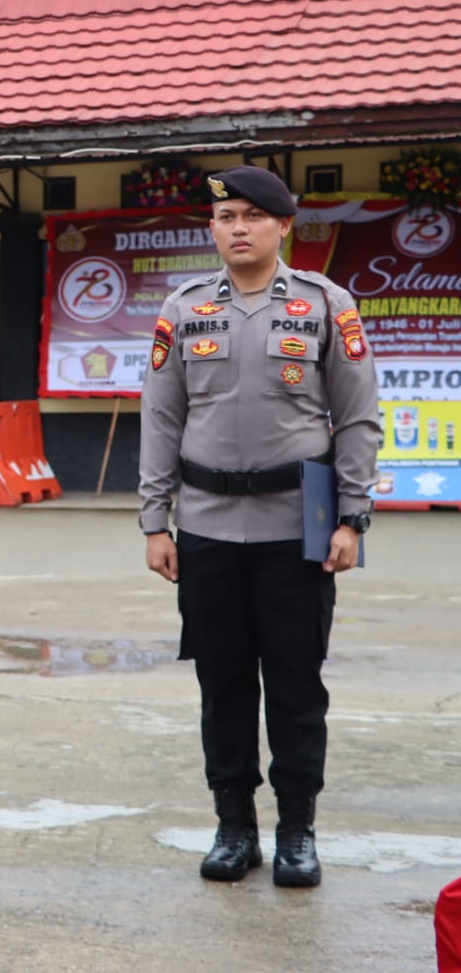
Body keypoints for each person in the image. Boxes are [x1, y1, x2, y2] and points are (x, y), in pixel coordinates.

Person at [138, 164, 379, 889]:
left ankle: (297, 830)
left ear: (283, 226)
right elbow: (162, 418)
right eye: (225, 217)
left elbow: (358, 418)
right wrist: (155, 522)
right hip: (206, 525)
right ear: (212, 229)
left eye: (251, 216)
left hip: (298, 523)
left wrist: (352, 517)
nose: (237, 228)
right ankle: (233, 825)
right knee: (223, 683)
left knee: (297, 684)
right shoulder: (183, 308)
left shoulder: (325, 304)